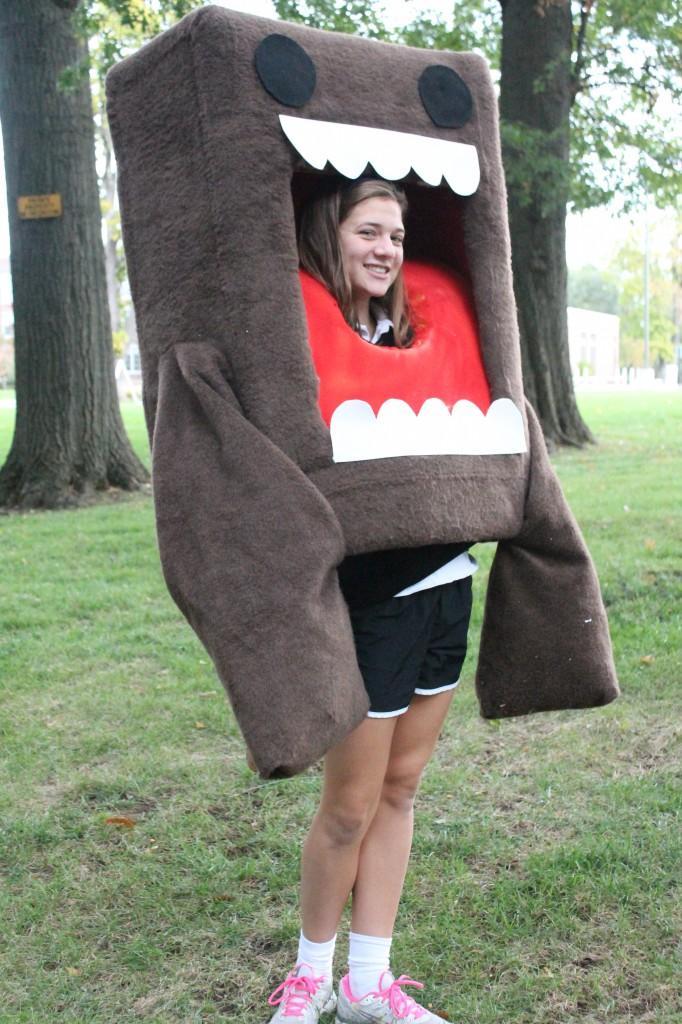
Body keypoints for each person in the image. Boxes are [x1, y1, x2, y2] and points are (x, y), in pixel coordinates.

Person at [266, 179, 477, 1024]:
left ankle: (366, 983)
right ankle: (310, 977)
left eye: (395, 234)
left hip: (448, 583)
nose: (386, 249)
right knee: (349, 807)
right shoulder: (300, 335)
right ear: (331, 232)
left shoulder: (419, 331)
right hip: (367, 598)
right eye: (368, 231)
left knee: (401, 790)